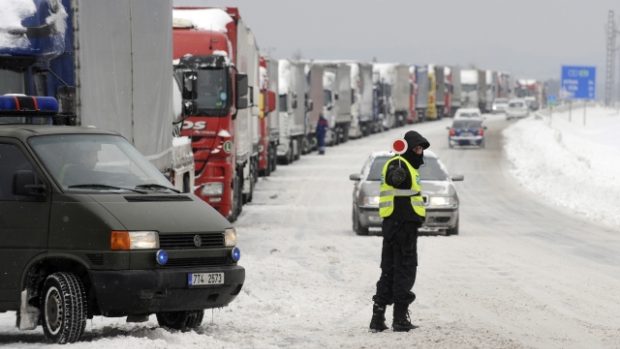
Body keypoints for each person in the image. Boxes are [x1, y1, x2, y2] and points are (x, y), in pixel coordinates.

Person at [369, 130, 430, 332]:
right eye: (417, 148)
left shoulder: (406, 165)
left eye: (421, 149)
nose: (420, 153)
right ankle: (399, 319)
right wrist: (399, 172)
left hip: (397, 225)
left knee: (391, 270)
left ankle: (378, 318)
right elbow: (396, 180)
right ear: (408, 148)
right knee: (403, 269)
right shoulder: (399, 164)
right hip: (401, 225)